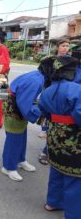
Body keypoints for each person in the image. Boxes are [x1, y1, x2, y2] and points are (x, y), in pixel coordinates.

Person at [38, 55, 81, 219]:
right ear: (71, 72)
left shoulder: (47, 90)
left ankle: (53, 202)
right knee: (75, 178)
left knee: (56, 169)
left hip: (55, 135)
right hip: (73, 139)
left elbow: (44, 112)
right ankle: (74, 214)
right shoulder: (77, 90)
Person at [1, 58, 52, 181]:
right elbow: (25, 103)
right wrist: (39, 113)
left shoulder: (38, 76)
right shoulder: (36, 81)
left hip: (16, 105)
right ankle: (8, 167)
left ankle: (20, 160)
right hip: (14, 108)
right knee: (14, 138)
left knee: (21, 136)